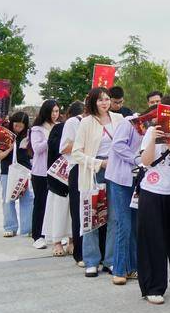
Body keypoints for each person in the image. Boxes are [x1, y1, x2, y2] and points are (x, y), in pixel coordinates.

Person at [137, 95, 170, 305]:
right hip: (152, 190)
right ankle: (153, 286)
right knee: (152, 240)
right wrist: (154, 138)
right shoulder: (151, 130)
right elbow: (146, 161)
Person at [71, 87, 125, 277]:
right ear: (93, 102)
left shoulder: (119, 119)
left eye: (107, 99)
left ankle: (111, 260)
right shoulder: (86, 122)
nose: (104, 103)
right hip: (93, 173)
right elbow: (76, 152)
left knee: (115, 217)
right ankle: (91, 260)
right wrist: (99, 163)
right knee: (91, 216)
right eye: (100, 99)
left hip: (116, 171)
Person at [105, 101, 151, 285]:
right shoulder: (130, 122)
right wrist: (136, 159)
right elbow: (117, 145)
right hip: (120, 179)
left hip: (139, 181)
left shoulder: (157, 129)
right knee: (123, 224)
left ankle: (132, 267)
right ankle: (119, 269)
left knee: (135, 224)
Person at [0, 111, 33, 238]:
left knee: (27, 199)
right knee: (8, 200)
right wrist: (10, 148)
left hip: (25, 172)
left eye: (21, 126)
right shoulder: (4, 134)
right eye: (16, 125)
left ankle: (27, 228)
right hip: (7, 171)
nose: (18, 128)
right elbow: (0, 156)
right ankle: (10, 227)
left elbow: (33, 155)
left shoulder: (29, 135)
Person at [28, 99, 59, 249]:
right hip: (40, 172)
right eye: (52, 111)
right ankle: (37, 235)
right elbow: (37, 148)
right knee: (40, 203)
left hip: (56, 171)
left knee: (53, 204)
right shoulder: (37, 129)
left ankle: (51, 233)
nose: (55, 114)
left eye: (57, 111)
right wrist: (50, 140)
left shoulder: (59, 126)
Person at [60, 101, 86, 265]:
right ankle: (80, 253)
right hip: (78, 168)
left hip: (97, 167)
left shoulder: (106, 120)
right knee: (79, 212)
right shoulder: (73, 122)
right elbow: (63, 147)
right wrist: (84, 142)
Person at [44, 106, 71, 257]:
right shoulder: (59, 128)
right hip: (59, 179)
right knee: (58, 210)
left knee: (73, 212)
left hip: (77, 177)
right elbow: (55, 148)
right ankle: (57, 241)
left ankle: (72, 240)